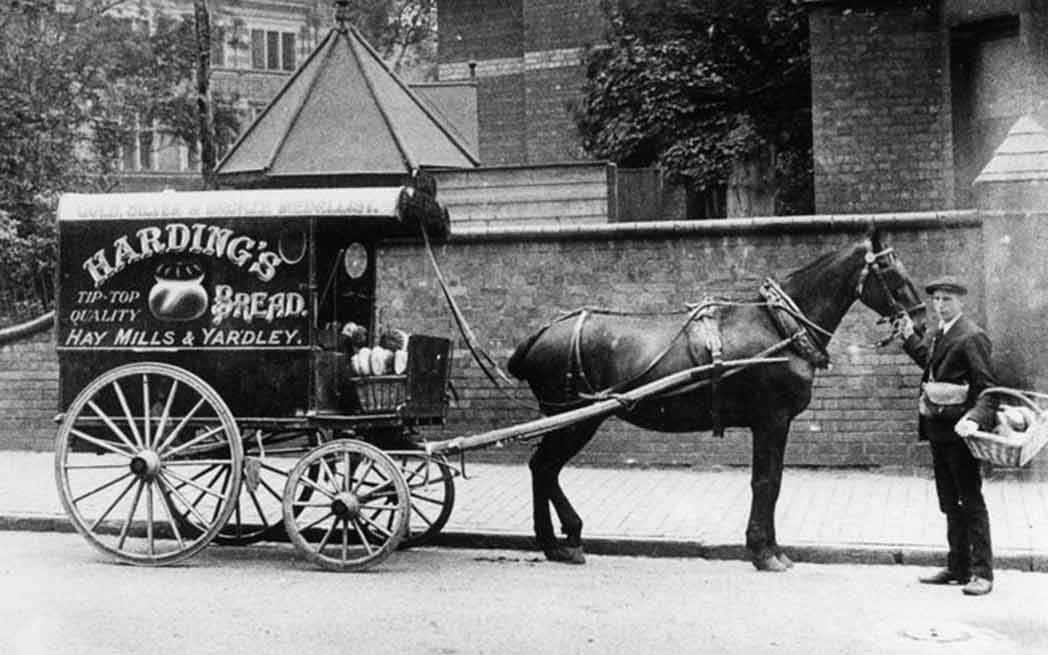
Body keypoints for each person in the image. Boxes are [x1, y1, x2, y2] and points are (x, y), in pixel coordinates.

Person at [895, 275, 996, 596]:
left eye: (947, 300)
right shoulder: (941, 332)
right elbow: (932, 365)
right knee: (949, 503)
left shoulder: (971, 337)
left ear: (961, 302)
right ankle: (957, 567)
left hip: (961, 435)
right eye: (936, 300)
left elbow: (988, 391)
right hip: (939, 431)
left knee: (971, 501)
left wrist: (973, 419)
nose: (940, 306)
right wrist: (911, 339)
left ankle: (983, 573)